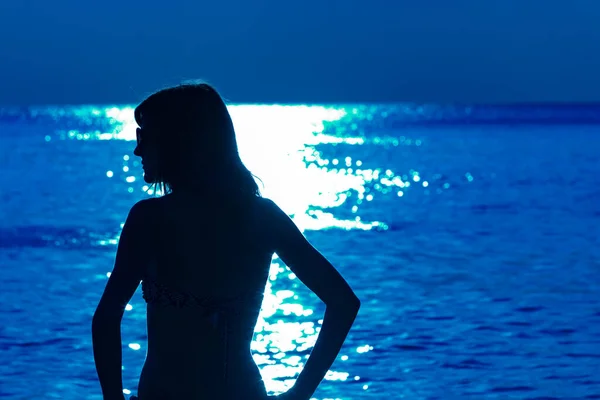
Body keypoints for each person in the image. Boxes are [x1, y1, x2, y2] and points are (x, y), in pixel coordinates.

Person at [91, 83, 361, 400]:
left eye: (144, 137)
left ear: (178, 141)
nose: (137, 150)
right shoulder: (262, 216)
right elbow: (343, 302)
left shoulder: (149, 219)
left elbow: (107, 318)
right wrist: (299, 394)